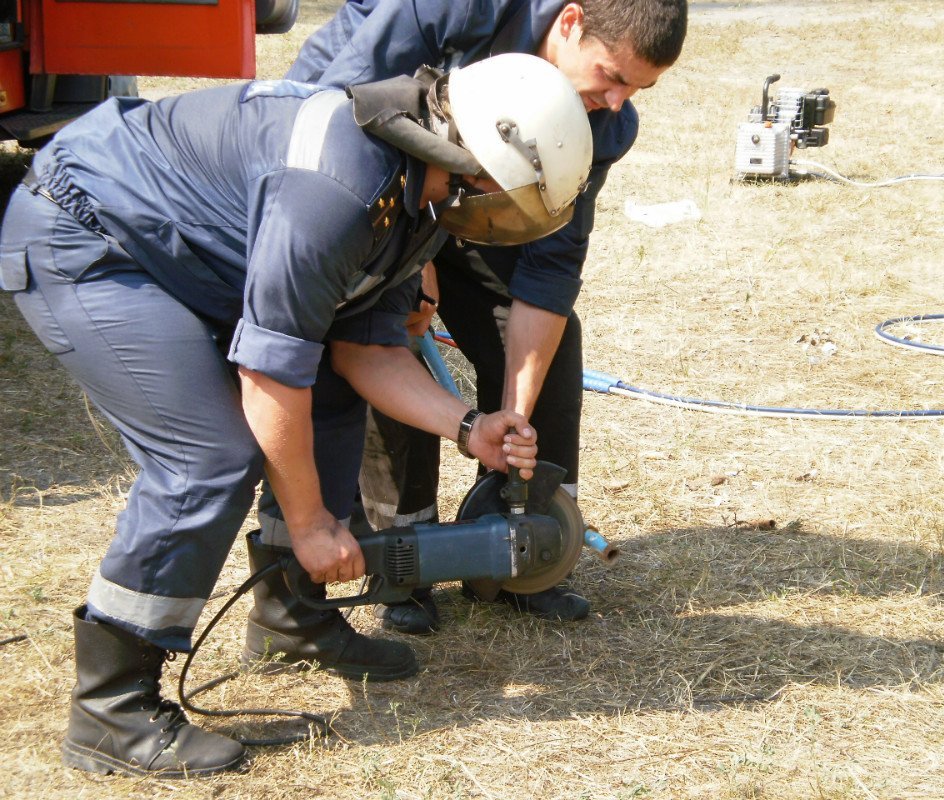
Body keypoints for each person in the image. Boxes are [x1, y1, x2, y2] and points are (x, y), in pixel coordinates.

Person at [0, 54, 593, 777]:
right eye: (509, 195)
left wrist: (470, 427)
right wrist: (313, 525)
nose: (506, 214)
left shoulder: (419, 195)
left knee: (332, 392)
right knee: (209, 459)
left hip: (172, 245)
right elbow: (269, 372)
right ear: (472, 162)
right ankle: (111, 708)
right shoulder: (339, 187)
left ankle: (291, 615)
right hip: (89, 233)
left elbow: (362, 353)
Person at [280, 0, 688, 634]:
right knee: (391, 328)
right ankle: (405, 559)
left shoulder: (604, 123)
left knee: (552, 347)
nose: (617, 100)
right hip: (361, 176)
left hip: (473, 197)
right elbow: (351, 116)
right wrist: (410, 266)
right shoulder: (458, 11)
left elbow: (548, 273)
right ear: (571, 22)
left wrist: (513, 424)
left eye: (638, 87)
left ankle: (518, 542)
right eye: (611, 75)